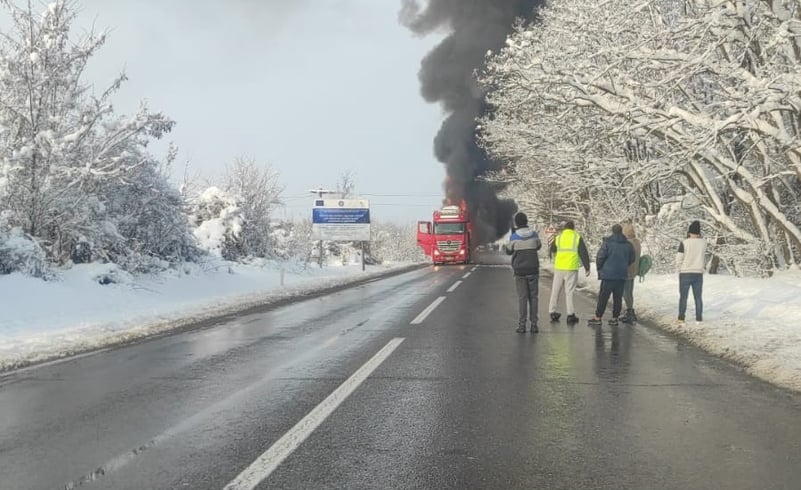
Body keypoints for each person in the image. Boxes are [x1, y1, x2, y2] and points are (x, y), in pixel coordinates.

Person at [588, 224, 635, 326]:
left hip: (608, 275)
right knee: (618, 297)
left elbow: (600, 256)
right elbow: (632, 258)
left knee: (603, 297)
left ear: (612, 231)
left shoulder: (607, 243)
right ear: (621, 231)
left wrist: (600, 268)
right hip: (621, 275)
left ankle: (598, 317)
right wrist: (624, 265)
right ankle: (615, 318)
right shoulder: (628, 245)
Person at [503, 212, 542, 333]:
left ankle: (522, 325)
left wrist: (512, 237)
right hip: (533, 270)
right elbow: (538, 246)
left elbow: (509, 251)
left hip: (520, 271)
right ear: (526, 221)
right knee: (534, 297)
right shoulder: (534, 234)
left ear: (516, 223)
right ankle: (534, 325)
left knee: (522, 298)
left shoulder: (514, 237)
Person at [548, 220, 591, 324]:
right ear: (573, 228)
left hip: (559, 268)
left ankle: (552, 311)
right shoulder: (577, 237)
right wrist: (587, 267)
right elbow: (583, 252)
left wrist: (552, 257)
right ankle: (570, 315)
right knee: (569, 292)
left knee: (555, 290)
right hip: (571, 268)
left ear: (565, 228)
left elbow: (552, 249)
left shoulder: (559, 237)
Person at [676, 220, 707, 324]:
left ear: (689, 232)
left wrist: (679, 268)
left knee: (683, 297)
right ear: (698, 232)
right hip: (698, 273)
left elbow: (679, 258)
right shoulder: (703, 243)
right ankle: (699, 318)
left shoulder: (684, 243)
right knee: (698, 297)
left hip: (685, 272)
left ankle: (681, 318)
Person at [621, 222, 642, 324]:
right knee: (629, 292)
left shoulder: (627, 243)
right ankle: (630, 310)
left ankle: (630, 312)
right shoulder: (637, 242)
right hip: (634, 270)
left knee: (626, 293)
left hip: (627, 270)